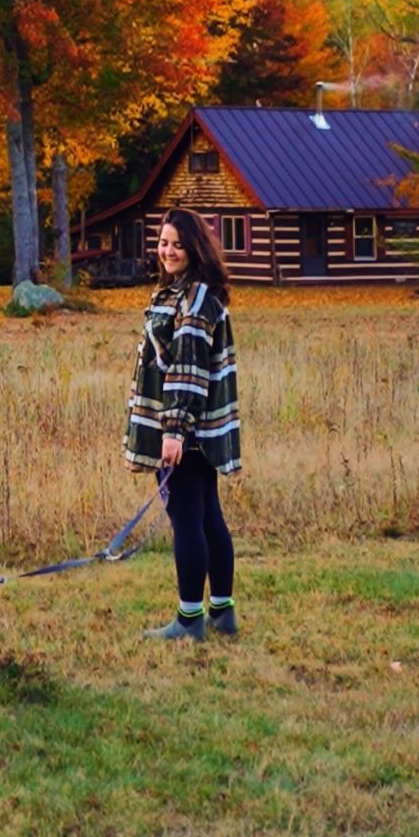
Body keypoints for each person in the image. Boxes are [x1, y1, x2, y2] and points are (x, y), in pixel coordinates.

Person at [124, 206, 241, 640]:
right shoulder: (189, 293)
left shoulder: (192, 299)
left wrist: (173, 430)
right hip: (201, 429)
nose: (168, 251)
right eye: (163, 242)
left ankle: (189, 620)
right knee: (209, 514)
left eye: (177, 244)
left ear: (195, 247)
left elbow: (188, 369)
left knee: (187, 517)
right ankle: (222, 612)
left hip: (186, 431)